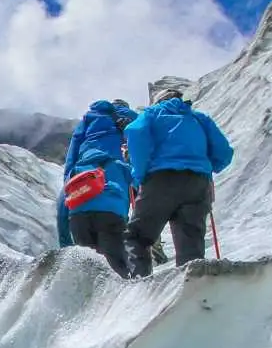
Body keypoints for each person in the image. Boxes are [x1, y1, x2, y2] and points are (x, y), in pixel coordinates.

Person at [124, 84, 233, 276]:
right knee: (191, 248)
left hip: (160, 181)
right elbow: (224, 152)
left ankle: (139, 287)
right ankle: (191, 291)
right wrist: (209, 166)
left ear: (158, 101)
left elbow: (134, 132)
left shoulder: (151, 115)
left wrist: (140, 175)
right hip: (198, 184)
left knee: (137, 238)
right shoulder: (199, 119)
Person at [60, 99, 136, 274]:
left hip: (79, 204)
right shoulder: (131, 118)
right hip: (113, 208)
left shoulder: (89, 119)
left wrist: (69, 179)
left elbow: (72, 152)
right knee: (117, 267)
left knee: (89, 270)